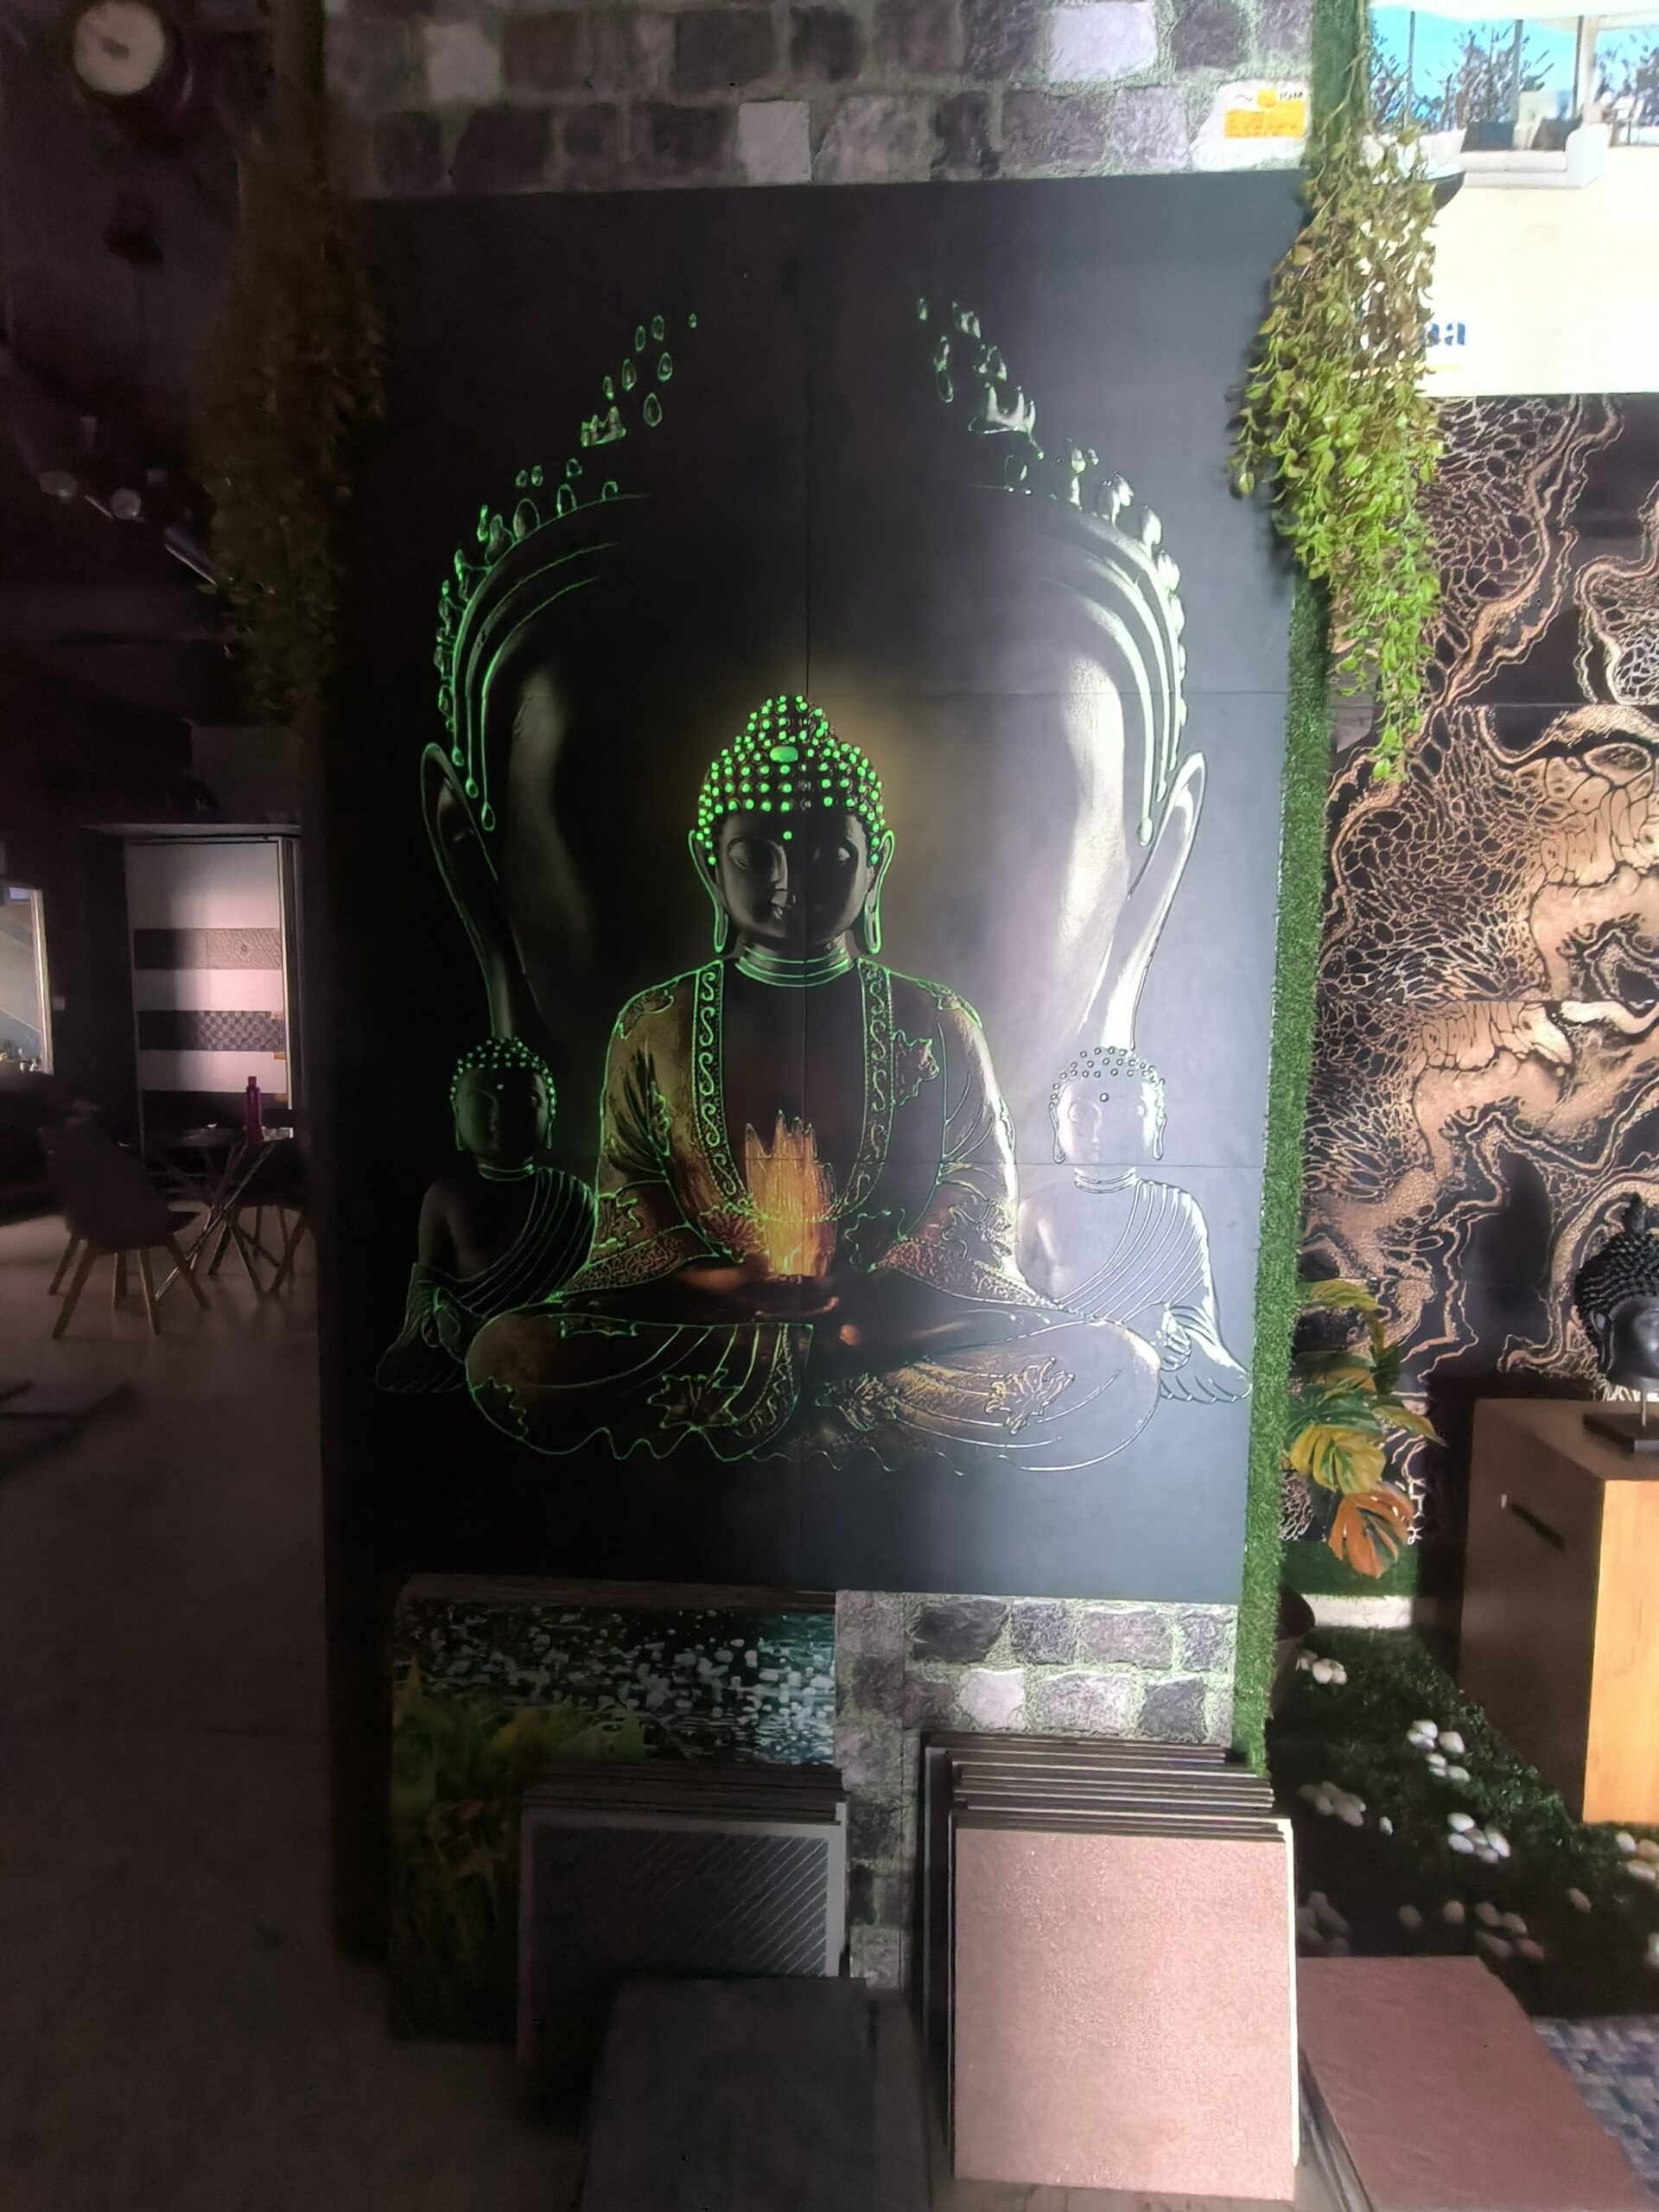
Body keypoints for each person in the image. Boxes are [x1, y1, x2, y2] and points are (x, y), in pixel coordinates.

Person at [465, 699, 1161, 1470]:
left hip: (887, 1332)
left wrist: (878, 1298)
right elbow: (632, 1192)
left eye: (830, 854)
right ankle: (841, 1423)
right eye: (755, 856)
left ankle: (780, 1421)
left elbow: (977, 1191)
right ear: (708, 862)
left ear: (876, 862)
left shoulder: (938, 1020)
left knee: (1116, 1366)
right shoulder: (655, 1024)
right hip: (719, 1334)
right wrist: (721, 1285)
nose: (791, 881)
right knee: (508, 1356)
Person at [1019, 1046, 1247, 1404]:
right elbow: (1011, 1307)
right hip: (1064, 1367)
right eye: (1081, 1114)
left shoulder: (1176, 1209)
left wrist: (1176, 1340)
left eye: (1131, 1111)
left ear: (1158, 1124)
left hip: (1150, 1369)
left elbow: (1199, 1322)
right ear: (1056, 1121)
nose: (1101, 1130)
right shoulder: (1036, 1210)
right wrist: (1091, 1337)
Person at [377, 1038, 594, 1393]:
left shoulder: (572, 1196)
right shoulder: (445, 1196)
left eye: (524, 1104)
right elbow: (427, 1284)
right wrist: (440, 1316)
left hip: (547, 1346)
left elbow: (590, 1286)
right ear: (457, 1118)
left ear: (550, 1117)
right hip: (467, 1344)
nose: (500, 1119)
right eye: (481, 1105)